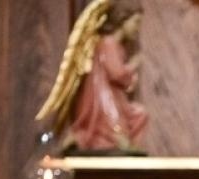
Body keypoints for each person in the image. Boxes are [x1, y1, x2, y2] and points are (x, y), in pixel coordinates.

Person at [37, 0, 147, 154]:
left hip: (114, 97)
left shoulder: (116, 46)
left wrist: (129, 78)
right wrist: (133, 66)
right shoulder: (108, 43)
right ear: (122, 19)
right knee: (116, 122)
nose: (137, 28)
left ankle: (90, 139)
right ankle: (103, 138)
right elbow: (116, 73)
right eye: (135, 22)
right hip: (103, 98)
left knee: (139, 114)